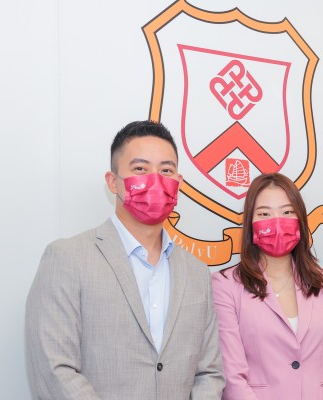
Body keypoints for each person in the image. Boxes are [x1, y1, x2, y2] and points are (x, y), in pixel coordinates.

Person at [25, 120, 224, 399]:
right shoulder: (67, 258)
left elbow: (209, 373)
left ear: (177, 184)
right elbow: (54, 368)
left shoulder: (197, 271)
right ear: (113, 182)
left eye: (166, 170)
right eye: (140, 169)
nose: (155, 179)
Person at [212, 172, 323, 400]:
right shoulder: (226, 284)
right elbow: (232, 376)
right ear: (250, 223)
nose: (277, 222)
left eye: (287, 212)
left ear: (300, 219)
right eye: (264, 214)